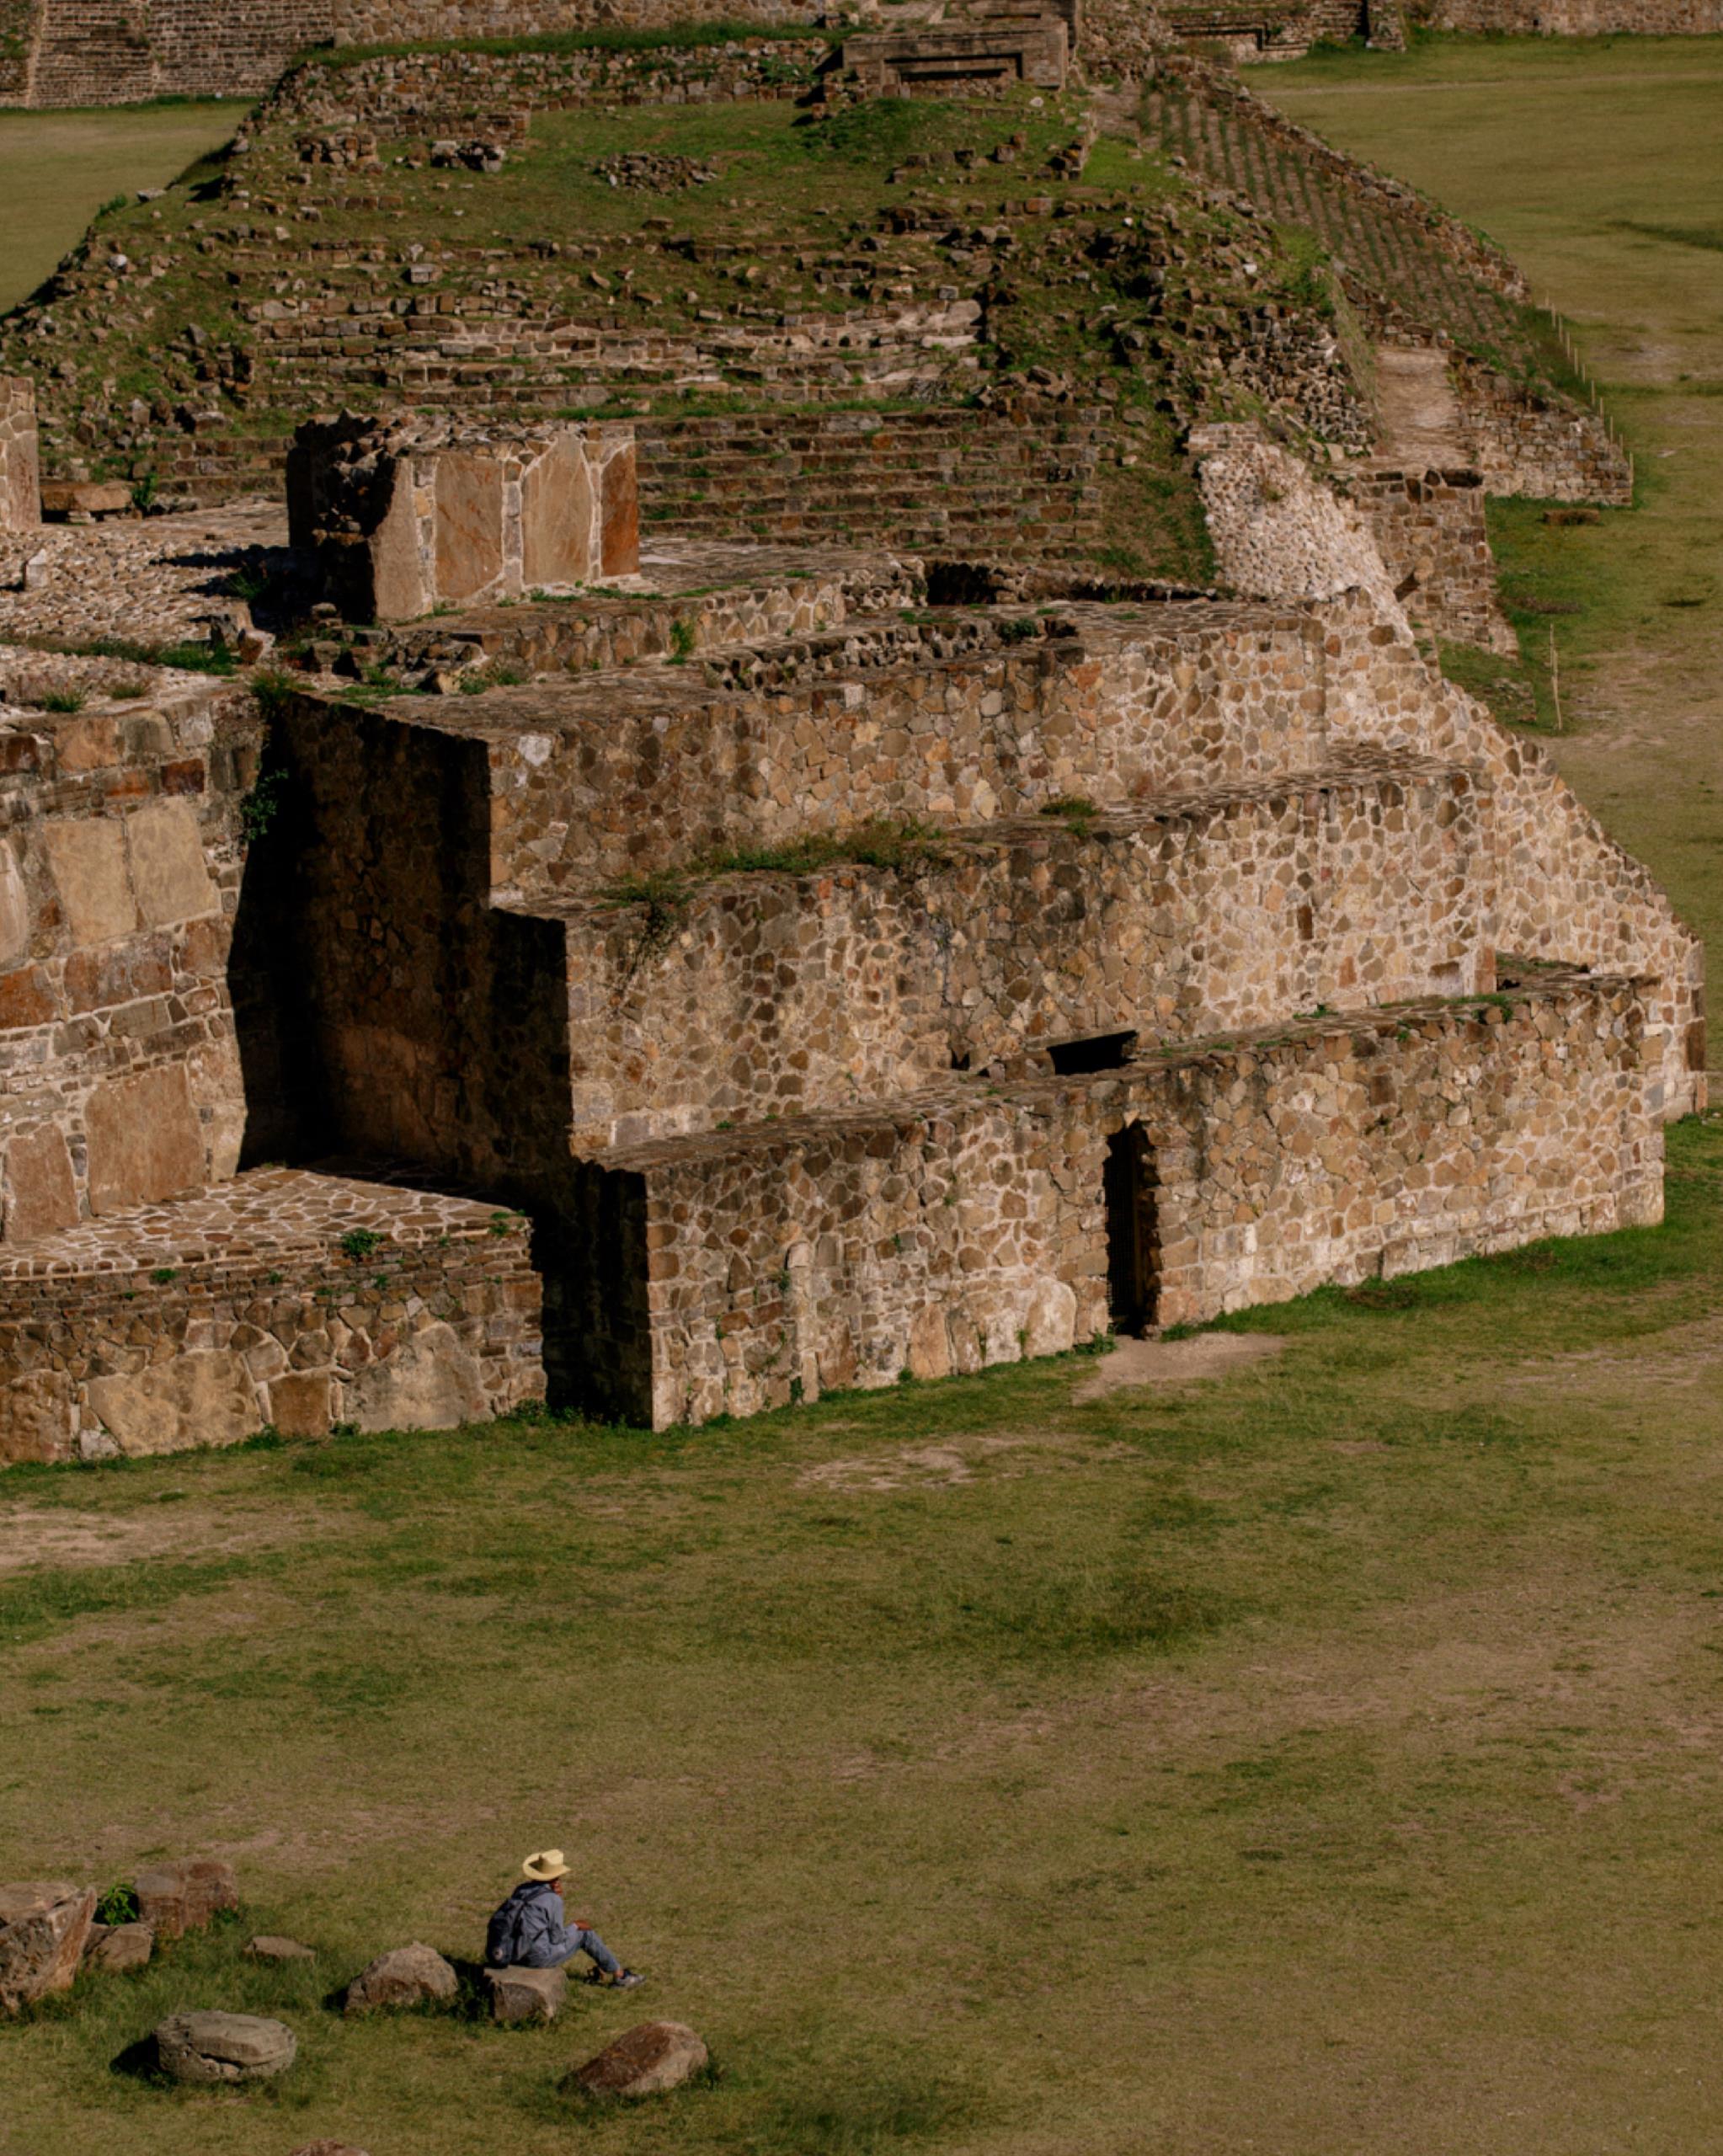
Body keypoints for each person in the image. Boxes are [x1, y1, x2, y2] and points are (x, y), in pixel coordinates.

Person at [485, 1849, 644, 1987]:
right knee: (585, 1934)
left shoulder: (521, 1889)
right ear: (556, 1877)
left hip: (512, 1952)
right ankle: (620, 1976)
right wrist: (574, 1926)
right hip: (536, 1958)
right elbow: (557, 1938)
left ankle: (619, 1974)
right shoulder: (552, 1899)